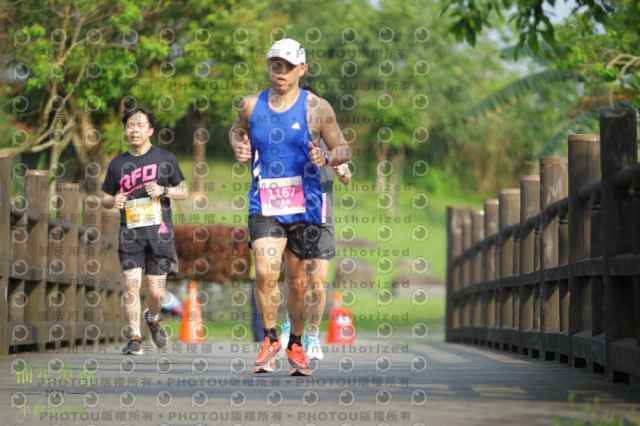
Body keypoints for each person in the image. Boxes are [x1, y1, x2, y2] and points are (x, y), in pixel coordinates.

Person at [229, 38, 351, 376]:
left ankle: (295, 343)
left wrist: (327, 156)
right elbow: (236, 131)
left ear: (302, 69)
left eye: (288, 65)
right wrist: (239, 145)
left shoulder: (318, 108)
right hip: (264, 201)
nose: (280, 70)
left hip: (305, 205)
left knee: (298, 283)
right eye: (275, 64)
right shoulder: (250, 105)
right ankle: (270, 340)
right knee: (266, 271)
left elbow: (343, 149)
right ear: (268, 66)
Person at [101, 107, 189, 355]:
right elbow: (104, 197)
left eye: (140, 125)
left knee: (155, 292)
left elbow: (183, 191)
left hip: (159, 234)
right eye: (130, 125)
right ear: (125, 130)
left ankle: (153, 317)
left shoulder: (165, 158)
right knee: (130, 287)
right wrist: (113, 201)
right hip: (130, 233)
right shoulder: (117, 163)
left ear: (150, 130)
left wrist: (164, 191)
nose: (134, 130)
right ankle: (134, 337)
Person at [280, 85, 352, 361]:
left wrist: (342, 170)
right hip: (294, 216)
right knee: (295, 280)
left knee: (318, 283)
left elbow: (346, 173)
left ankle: (311, 335)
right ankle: (290, 326)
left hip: (322, 218)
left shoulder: (330, 143)